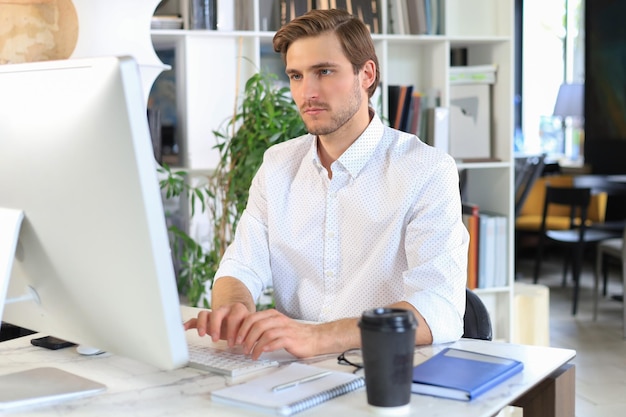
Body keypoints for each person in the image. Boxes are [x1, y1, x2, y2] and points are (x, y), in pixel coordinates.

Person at [184, 8, 468, 360]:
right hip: (294, 368)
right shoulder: (277, 164)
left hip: (384, 369)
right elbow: (241, 266)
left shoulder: (427, 170)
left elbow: (439, 307)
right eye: (296, 76)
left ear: (366, 74)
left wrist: (321, 337)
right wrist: (235, 308)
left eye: (324, 71)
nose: (308, 92)